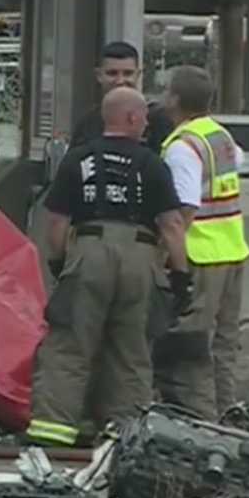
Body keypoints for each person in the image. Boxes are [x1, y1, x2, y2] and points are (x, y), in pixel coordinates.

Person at [26, 86, 192, 448]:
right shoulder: (152, 164)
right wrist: (180, 276)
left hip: (88, 249)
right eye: (144, 117)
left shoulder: (77, 160)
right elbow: (172, 225)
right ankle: (125, 438)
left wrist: (59, 263)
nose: (148, 123)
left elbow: (55, 223)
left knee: (70, 345)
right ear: (131, 118)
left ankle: (52, 432)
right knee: (131, 351)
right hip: (139, 256)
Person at [154, 65, 249, 421]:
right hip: (233, 250)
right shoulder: (220, 137)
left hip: (202, 255)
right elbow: (238, 160)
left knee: (192, 344)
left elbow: (185, 209)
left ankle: (203, 422)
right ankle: (227, 413)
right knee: (224, 343)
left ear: (175, 99)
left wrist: (166, 255)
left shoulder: (183, 148)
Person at [70, 41, 175, 153]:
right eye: (112, 73)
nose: (120, 81)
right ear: (99, 76)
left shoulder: (159, 121)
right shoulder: (87, 124)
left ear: (138, 75)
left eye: (128, 73)